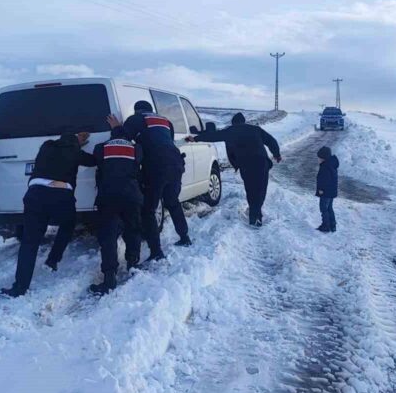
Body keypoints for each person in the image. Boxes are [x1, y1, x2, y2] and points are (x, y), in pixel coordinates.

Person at [0, 132, 95, 298]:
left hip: (35, 194)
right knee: (68, 224)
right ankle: (53, 259)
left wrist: (74, 142)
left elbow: (62, 148)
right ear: (76, 143)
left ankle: (19, 287)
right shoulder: (75, 152)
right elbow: (93, 161)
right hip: (61, 196)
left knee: (30, 242)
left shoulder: (46, 146)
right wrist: (78, 145)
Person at [109, 100, 190, 262]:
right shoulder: (165, 121)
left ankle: (156, 251)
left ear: (137, 110)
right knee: (173, 202)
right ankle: (184, 237)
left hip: (156, 167)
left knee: (148, 210)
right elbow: (167, 142)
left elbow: (122, 140)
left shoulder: (136, 119)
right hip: (176, 163)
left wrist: (117, 127)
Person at [188, 112, 281, 227]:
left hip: (246, 165)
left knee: (251, 189)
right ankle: (256, 213)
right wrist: (277, 154)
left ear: (234, 123)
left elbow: (213, 136)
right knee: (261, 189)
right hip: (261, 163)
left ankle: (254, 215)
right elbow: (271, 140)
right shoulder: (255, 129)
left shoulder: (231, 131)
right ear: (244, 121)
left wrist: (195, 139)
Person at [89, 126, 143, 296]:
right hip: (131, 195)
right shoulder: (136, 148)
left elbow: (98, 162)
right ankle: (133, 263)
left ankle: (109, 277)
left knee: (108, 236)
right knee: (133, 229)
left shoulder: (101, 148)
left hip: (108, 196)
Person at [316, 146, 339, 233]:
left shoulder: (325, 167)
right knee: (329, 208)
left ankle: (326, 226)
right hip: (331, 191)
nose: (318, 159)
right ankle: (332, 225)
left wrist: (321, 189)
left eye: (319, 158)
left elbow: (324, 180)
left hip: (325, 192)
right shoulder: (331, 164)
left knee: (324, 209)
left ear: (324, 158)